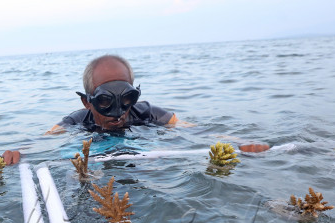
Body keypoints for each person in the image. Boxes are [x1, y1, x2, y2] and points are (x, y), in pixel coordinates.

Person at [47, 54, 269, 152]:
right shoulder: (78, 120)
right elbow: (41, 141)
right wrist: (17, 152)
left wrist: (242, 141)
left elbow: (199, 132)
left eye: (126, 99)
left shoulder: (148, 114)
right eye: (105, 101)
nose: (118, 112)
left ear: (135, 96)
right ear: (87, 102)